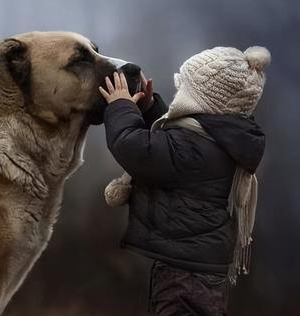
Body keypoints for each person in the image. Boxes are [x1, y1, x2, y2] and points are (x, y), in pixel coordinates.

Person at [98, 46, 271, 315]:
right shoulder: (218, 139)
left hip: (183, 272)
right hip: (202, 266)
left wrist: (121, 106)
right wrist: (150, 107)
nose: (179, 95)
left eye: (185, 90)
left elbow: (135, 148)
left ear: (202, 101)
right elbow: (170, 147)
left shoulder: (192, 148)